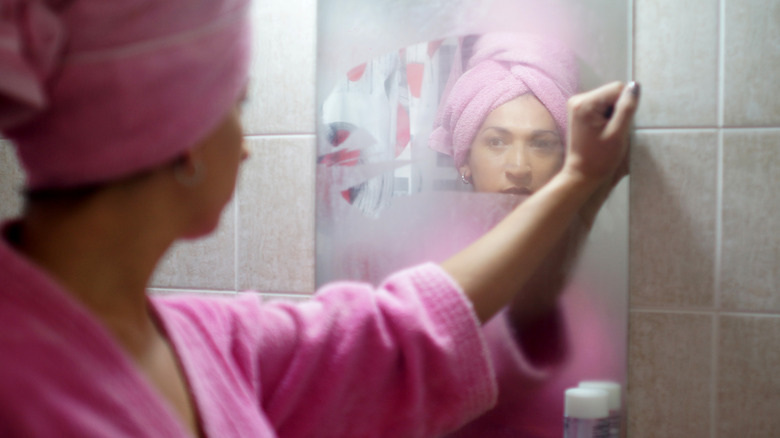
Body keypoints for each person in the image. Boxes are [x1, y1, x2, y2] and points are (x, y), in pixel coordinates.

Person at [0, 2, 639, 437]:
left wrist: (580, 178)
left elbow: (397, 333)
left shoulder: (206, 342)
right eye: (237, 108)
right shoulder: (22, 379)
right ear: (184, 139)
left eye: (539, 143)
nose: (247, 144)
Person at [429, 33, 629, 437]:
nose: (518, 166)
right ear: (464, 160)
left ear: (562, 159)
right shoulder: (435, 261)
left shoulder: (596, 270)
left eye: (541, 144)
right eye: (497, 141)